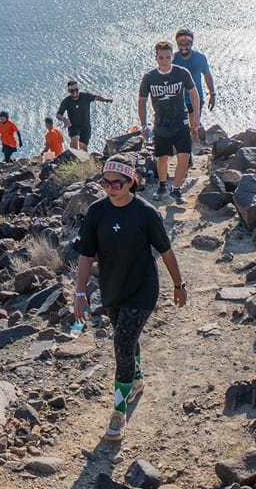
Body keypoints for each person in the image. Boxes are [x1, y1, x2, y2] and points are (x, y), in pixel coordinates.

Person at [72, 158, 188, 442]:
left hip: (143, 288)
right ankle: (135, 381)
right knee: (126, 336)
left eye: (117, 183)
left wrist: (178, 284)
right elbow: (86, 255)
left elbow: (166, 251)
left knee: (122, 342)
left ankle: (118, 412)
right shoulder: (96, 212)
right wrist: (79, 292)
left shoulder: (146, 214)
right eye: (105, 182)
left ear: (131, 182)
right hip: (112, 288)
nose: (111, 188)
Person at [136, 40, 202, 202]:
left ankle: (176, 188)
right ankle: (162, 185)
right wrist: (143, 124)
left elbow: (194, 93)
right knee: (163, 158)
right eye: (161, 58)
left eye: (167, 57)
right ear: (156, 58)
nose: (164, 61)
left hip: (180, 121)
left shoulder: (182, 73)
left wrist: (196, 116)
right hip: (161, 124)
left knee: (185, 156)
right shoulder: (149, 77)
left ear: (172, 57)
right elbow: (142, 101)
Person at [55, 80, 112, 151]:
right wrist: (64, 119)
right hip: (73, 126)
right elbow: (58, 114)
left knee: (83, 147)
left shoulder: (85, 96)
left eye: (76, 90)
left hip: (85, 126)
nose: (75, 92)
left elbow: (96, 97)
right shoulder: (66, 101)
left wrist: (105, 100)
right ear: (69, 91)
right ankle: (73, 158)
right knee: (74, 140)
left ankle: (83, 160)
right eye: (72, 91)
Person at [172, 28, 216, 117]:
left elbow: (207, 75)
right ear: (177, 44)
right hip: (177, 102)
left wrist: (212, 94)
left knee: (194, 128)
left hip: (196, 100)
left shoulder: (200, 58)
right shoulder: (172, 59)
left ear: (191, 44)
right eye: (180, 44)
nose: (183, 47)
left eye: (186, 44)